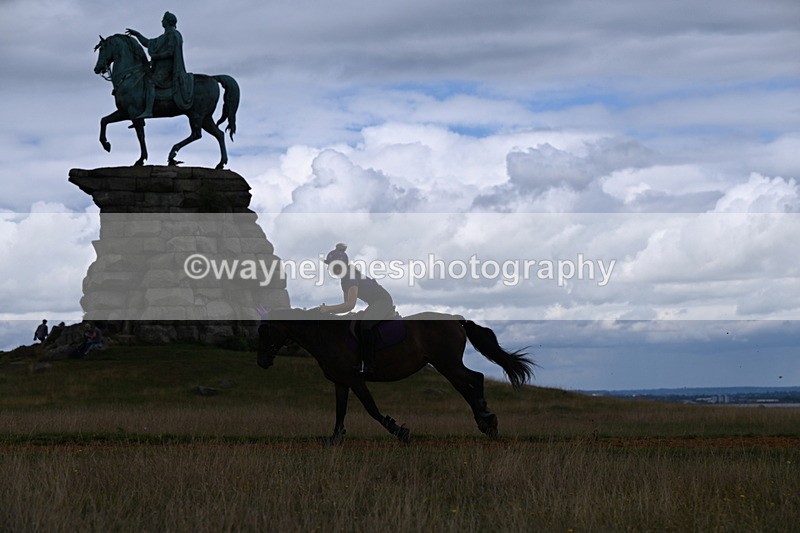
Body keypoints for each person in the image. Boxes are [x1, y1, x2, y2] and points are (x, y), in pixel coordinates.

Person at [319, 243, 396, 376]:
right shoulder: (345, 279)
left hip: (383, 301)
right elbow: (346, 306)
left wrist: (327, 309)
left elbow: (349, 305)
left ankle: (369, 365)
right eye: (329, 266)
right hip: (374, 302)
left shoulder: (350, 277)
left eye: (333, 266)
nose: (330, 269)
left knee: (366, 326)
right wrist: (329, 310)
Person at [126, 11, 193, 118]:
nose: (161, 21)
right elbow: (148, 43)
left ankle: (148, 111)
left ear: (168, 22)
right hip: (160, 68)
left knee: (150, 82)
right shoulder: (164, 36)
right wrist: (137, 34)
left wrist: (156, 56)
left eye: (163, 19)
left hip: (167, 69)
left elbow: (170, 52)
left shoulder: (173, 34)